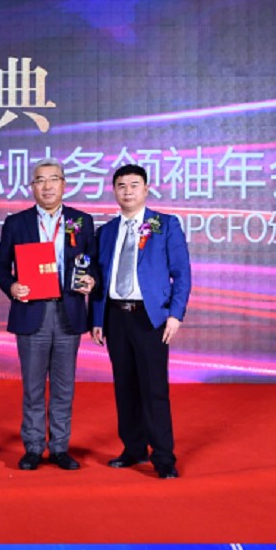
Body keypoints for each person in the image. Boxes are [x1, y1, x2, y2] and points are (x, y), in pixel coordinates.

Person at [0, 158, 97, 471]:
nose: (47, 186)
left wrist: (91, 279)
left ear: (64, 184)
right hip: (31, 311)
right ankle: (34, 447)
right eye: (40, 180)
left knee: (64, 387)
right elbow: (0, 266)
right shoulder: (17, 223)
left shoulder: (82, 221)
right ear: (32, 187)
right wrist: (12, 287)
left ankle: (60, 447)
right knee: (33, 386)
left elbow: (93, 262)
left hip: (68, 311)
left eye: (53, 179)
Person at [92, 164, 192, 479]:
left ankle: (163, 456)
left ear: (146, 189)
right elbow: (99, 277)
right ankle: (133, 448)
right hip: (115, 317)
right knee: (125, 387)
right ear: (114, 191)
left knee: (154, 388)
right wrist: (97, 317)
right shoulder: (106, 232)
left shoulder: (165, 225)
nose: (128, 191)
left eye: (134, 185)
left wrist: (175, 314)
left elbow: (182, 274)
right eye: (121, 186)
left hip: (150, 317)